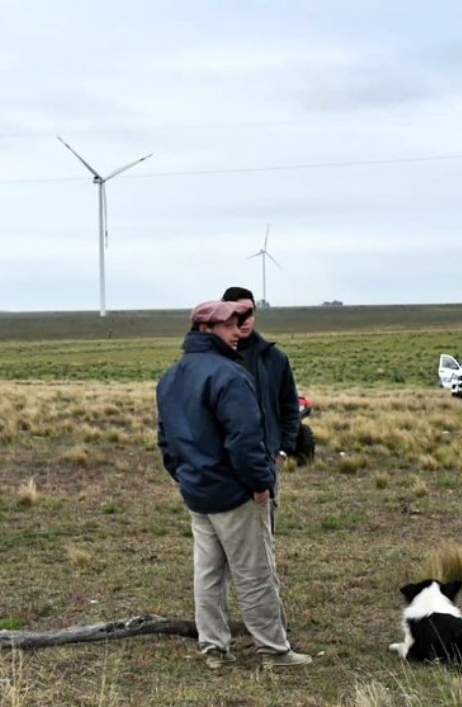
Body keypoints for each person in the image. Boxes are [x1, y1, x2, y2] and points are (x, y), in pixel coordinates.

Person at [157, 299, 312, 671]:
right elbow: (244, 440)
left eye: (237, 324)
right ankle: (274, 650)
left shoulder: (172, 375)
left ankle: (213, 647)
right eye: (227, 327)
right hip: (234, 493)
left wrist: (182, 475)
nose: (235, 333)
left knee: (207, 572)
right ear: (205, 330)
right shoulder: (229, 375)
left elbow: (167, 438)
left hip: (197, 492)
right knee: (254, 573)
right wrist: (260, 483)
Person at [220, 286, 301, 534]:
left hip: (266, 461)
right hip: (222, 465)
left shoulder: (274, 358)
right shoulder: (212, 359)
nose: (245, 321)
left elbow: (289, 407)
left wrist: (283, 449)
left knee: (264, 535)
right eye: (238, 314)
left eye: (250, 313)